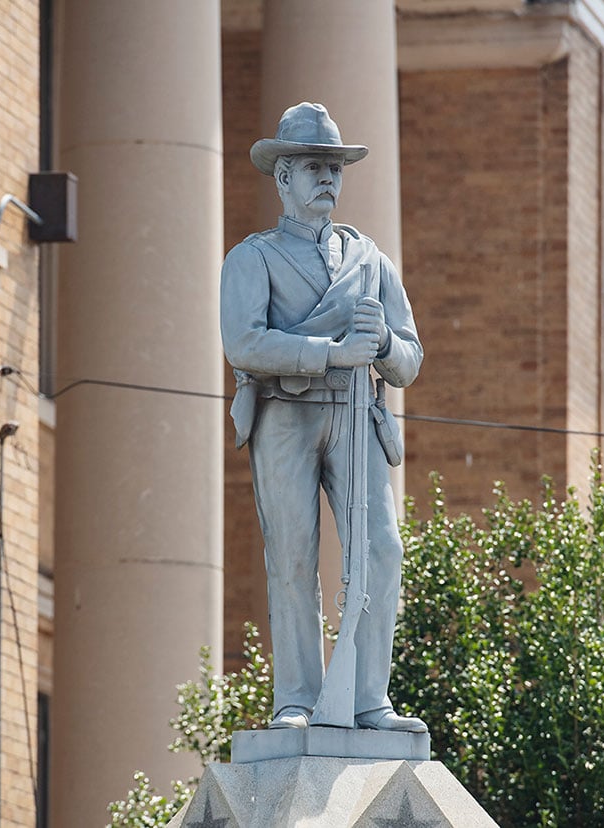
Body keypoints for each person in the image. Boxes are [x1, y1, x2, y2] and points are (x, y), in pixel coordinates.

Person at [221, 102, 426, 732]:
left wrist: (385, 347)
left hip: (356, 416)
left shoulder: (371, 260)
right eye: (313, 166)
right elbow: (243, 343)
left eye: (334, 166)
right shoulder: (251, 258)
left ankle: (370, 698)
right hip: (286, 413)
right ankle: (298, 700)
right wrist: (331, 352)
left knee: (382, 550)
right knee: (292, 555)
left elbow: (410, 357)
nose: (328, 178)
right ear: (283, 177)